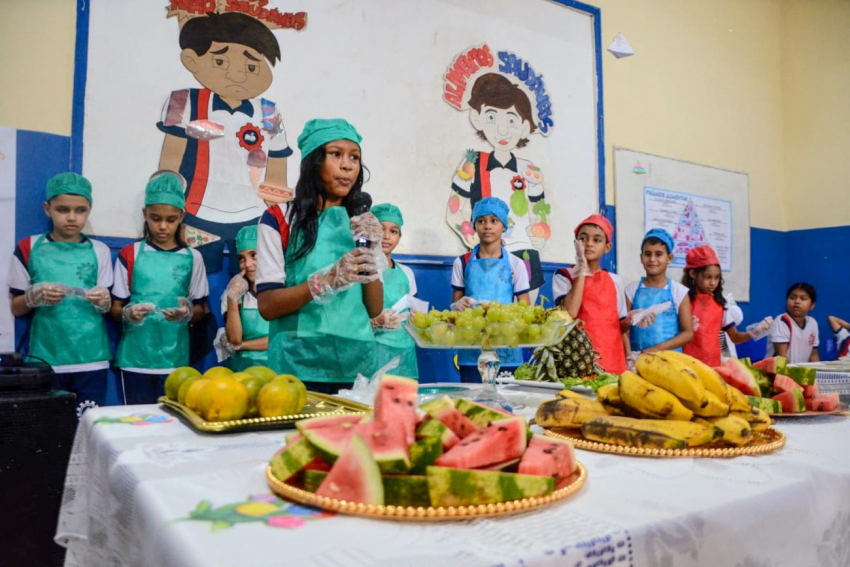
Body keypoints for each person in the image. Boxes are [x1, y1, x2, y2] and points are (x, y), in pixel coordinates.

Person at [157, 12, 293, 273]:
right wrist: (171, 212)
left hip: (254, 219)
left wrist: (277, 223)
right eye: (219, 61)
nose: (238, 76)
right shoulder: (181, 102)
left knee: (249, 291)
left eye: (251, 67)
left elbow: (276, 175)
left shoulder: (269, 113)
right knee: (197, 289)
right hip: (195, 216)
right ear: (191, 60)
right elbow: (169, 166)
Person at [256, 119, 383, 393]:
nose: (347, 165)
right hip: (298, 363)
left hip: (356, 364)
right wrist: (325, 281)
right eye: (335, 154)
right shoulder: (279, 218)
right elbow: (267, 305)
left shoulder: (360, 222)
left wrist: (371, 249)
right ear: (313, 161)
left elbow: (375, 308)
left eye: (354, 157)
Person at [8, 173, 113, 417]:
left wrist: (103, 301)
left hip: (91, 358)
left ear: (89, 210)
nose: (72, 217)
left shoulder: (100, 251)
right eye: (63, 209)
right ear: (48, 208)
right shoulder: (29, 247)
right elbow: (16, 307)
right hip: (46, 358)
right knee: (47, 433)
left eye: (80, 210)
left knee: (89, 429)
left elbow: (108, 307)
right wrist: (33, 297)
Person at [446, 73, 552, 295]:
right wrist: (473, 236)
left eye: (511, 120)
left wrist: (539, 233)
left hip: (525, 253)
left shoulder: (528, 169)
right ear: (478, 119)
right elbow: (455, 210)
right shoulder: (473, 162)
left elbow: (539, 210)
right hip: (484, 258)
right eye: (492, 117)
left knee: (524, 319)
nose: (503, 130)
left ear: (524, 126)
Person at [112, 172, 209, 404]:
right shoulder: (130, 254)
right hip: (135, 357)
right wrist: (127, 314)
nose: (163, 226)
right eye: (155, 218)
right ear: (145, 214)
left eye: (171, 219)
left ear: (181, 217)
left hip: (175, 358)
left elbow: (202, 309)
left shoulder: (192, 258)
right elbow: (115, 307)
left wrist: (187, 314)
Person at [451, 197, 531, 383]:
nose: (487, 226)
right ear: (474, 226)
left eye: (494, 221)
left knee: (507, 405)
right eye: (481, 221)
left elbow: (525, 308)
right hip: (471, 348)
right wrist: (458, 305)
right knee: (473, 404)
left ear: (504, 226)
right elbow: (454, 306)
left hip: (507, 348)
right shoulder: (461, 263)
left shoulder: (516, 264)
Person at [553, 214, 627, 374]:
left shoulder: (615, 281)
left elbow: (621, 325)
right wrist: (581, 271)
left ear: (607, 247)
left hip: (612, 358)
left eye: (597, 240)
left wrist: (635, 319)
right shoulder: (564, 275)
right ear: (576, 243)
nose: (589, 244)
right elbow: (570, 312)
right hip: (577, 359)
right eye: (583, 239)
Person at [367, 203, 420, 379]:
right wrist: (375, 322)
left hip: (405, 352)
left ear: (399, 237)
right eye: (380, 230)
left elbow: (414, 308)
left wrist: (418, 319)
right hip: (373, 348)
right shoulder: (365, 270)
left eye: (393, 231)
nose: (386, 237)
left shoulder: (407, 273)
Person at [624, 228, 693, 354]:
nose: (652, 259)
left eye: (659, 254)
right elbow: (624, 330)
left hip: (671, 361)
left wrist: (654, 350)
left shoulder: (679, 291)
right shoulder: (631, 290)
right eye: (648, 254)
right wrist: (629, 356)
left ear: (670, 258)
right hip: (637, 360)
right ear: (641, 257)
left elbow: (688, 333)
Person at [219, 225, 269, 371]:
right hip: (241, 373)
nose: (247, 265)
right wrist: (232, 298)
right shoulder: (234, 291)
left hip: (277, 371)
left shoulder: (283, 291)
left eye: (254, 255)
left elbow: (281, 340)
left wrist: (243, 346)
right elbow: (234, 339)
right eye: (241, 258)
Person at [766, 283, 820, 363]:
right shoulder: (781, 321)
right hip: (778, 373)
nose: (797, 301)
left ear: (812, 305)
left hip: (799, 373)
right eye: (792, 298)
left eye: (803, 299)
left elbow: (813, 355)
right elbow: (782, 358)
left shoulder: (812, 323)